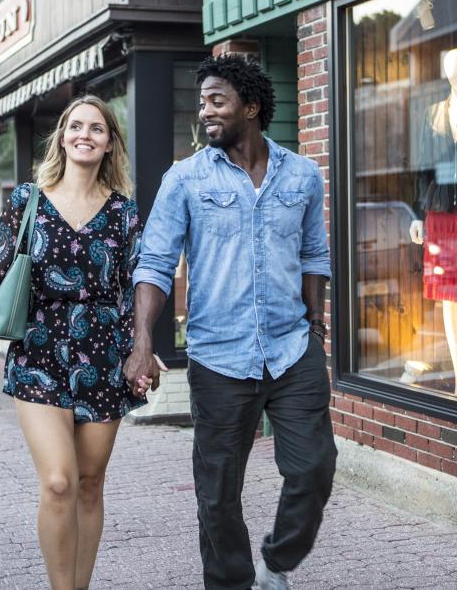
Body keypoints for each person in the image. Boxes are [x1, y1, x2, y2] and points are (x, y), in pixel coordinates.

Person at [125, 55, 337, 590]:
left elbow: (314, 255)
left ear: (252, 106)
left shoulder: (304, 175)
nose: (205, 113)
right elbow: (154, 264)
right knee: (218, 493)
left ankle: (277, 562)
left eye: (216, 101)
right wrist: (143, 342)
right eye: (202, 104)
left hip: (292, 351)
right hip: (219, 357)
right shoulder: (186, 179)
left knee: (313, 468)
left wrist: (315, 326)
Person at [0, 95, 153, 590]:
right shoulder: (28, 200)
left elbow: (137, 285)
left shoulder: (125, 213)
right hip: (39, 353)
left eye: (97, 129)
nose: (86, 135)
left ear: (110, 144)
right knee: (59, 480)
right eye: (76, 126)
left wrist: (142, 347)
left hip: (105, 357)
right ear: (63, 137)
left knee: (89, 485)